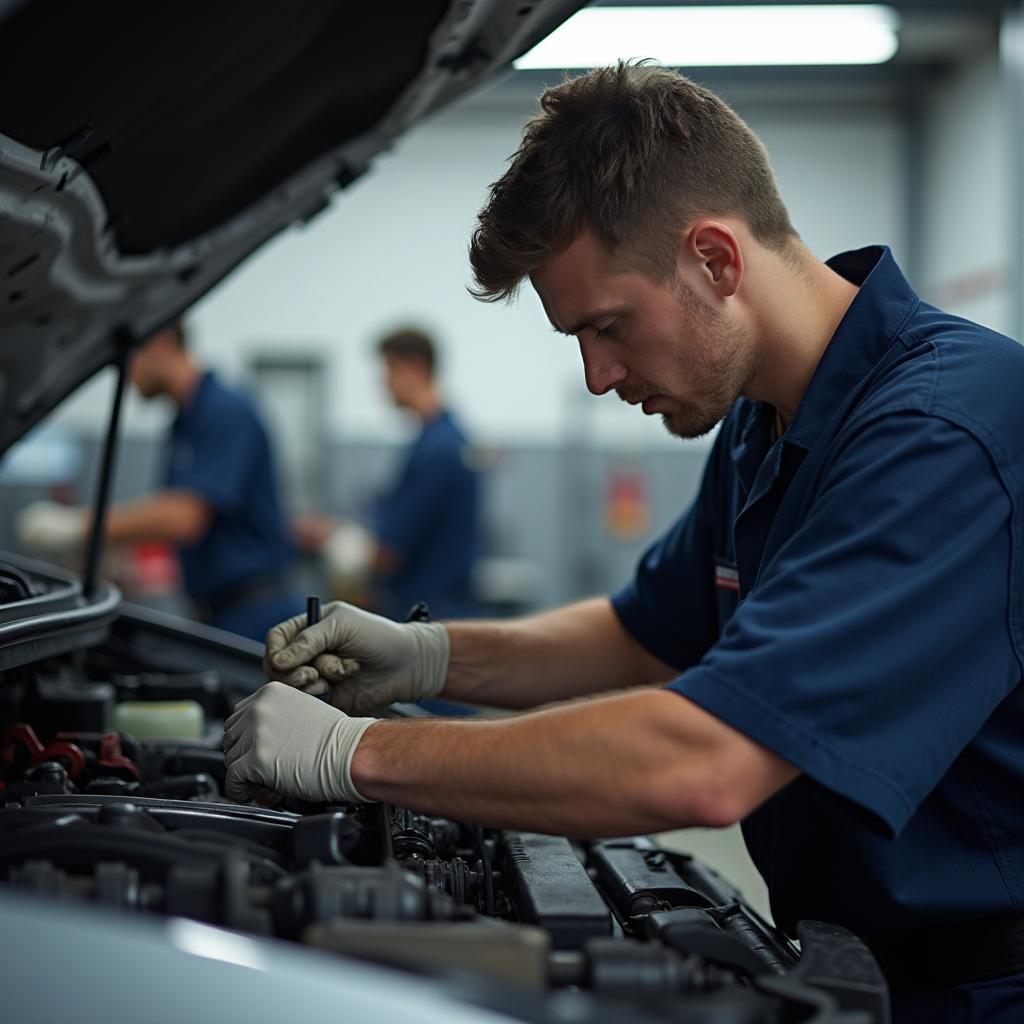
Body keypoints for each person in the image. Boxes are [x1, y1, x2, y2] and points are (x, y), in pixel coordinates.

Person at [222, 64, 1024, 1020]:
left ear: (716, 260)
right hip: (851, 963)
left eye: (609, 326)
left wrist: (355, 755)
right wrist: (425, 656)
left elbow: (708, 760)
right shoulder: (764, 421)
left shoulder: (946, 431)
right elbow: (643, 634)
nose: (598, 376)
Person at [19, 322, 301, 642]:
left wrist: (78, 526)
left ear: (162, 343)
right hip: (218, 611)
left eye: (130, 358)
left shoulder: (224, 411)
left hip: (255, 615)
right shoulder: (186, 421)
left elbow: (183, 518)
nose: (125, 374)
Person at [297, 327, 482, 621]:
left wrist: (334, 540)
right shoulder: (444, 440)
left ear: (415, 368)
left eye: (389, 370)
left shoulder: (437, 450)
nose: (383, 383)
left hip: (429, 620)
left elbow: (388, 554)